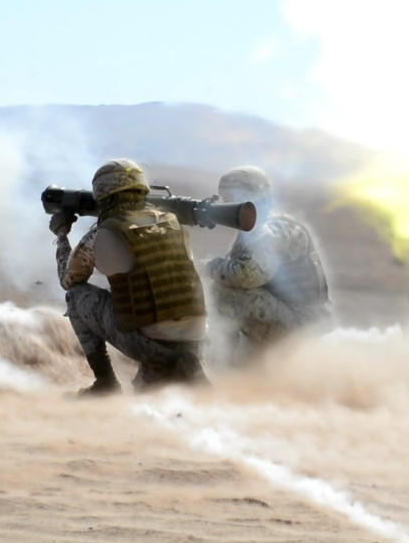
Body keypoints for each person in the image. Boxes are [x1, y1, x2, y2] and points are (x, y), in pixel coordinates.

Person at [49, 158, 210, 395]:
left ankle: (105, 384)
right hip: (196, 342)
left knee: (76, 295)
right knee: (147, 394)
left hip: (150, 345)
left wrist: (62, 234)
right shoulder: (173, 224)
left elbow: (67, 279)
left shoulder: (103, 234)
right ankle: (182, 367)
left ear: (104, 197)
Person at [204, 165, 332, 366]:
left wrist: (209, 267)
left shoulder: (279, 228)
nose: (225, 206)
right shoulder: (257, 231)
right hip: (289, 318)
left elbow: (249, 274)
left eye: (230, 199)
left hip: (304, 325)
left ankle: (219, 368)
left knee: (224, 292)